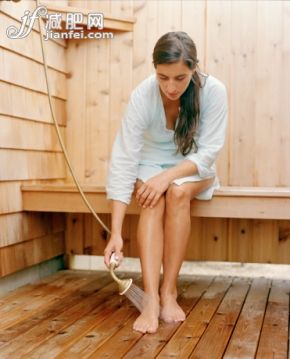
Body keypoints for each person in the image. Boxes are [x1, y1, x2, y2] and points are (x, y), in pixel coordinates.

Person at [104, 31, 227, 334]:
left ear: (194, 69)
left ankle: (168, 291)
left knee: (177, 192)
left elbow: (208, 152)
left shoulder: (214, 92)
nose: (171, 88)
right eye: (163, 78)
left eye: (180, 78)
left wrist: (166, 177)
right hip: (151, 162)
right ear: (154, 70)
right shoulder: (142, 96)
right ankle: (150, 300)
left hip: (194, 165)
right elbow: (123, 159)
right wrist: (116, 232)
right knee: (151, 198)